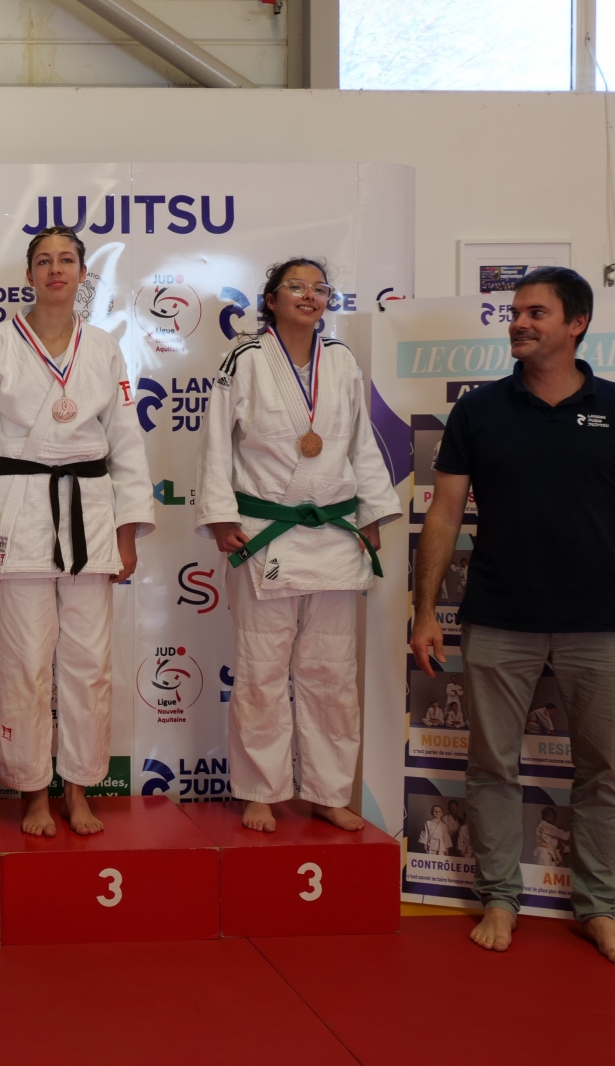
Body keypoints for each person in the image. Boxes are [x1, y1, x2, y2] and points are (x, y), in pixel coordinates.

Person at [412, 266, 615, 966]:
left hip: (605, 621)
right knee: (491, 767)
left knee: (604, 772)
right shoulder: (479, 410)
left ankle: (599, 909)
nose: (518, 322)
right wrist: (424, 611)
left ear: (577, 324)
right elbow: (444, 514)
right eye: (516, 312)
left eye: (535, 312)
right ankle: (499, 898)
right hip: (498, 617)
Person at [0, 225, 153, 837]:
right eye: (44, 261)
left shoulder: (104, 348)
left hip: (89, 513)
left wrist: (127, 531)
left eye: (67, 260)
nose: (55, 269)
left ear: (83, 274)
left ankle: (80, 789)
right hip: (18, 511)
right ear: (29, 274)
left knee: (89, 663)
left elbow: (126, 443)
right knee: (25, 664)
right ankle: (34, 793)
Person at [196, 258, 400, 834]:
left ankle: (329, 792)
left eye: (319, 289)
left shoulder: (341, 361)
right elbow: (216, 443)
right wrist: (219, 516)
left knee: (332, 673)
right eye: (296, 287)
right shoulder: (244, 358)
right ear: (271, 299)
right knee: (261, 671)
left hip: (333, 533)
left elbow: (361, 442)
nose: (309, 296)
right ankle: (260, 790)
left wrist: (370, 513)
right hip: (265, 533)